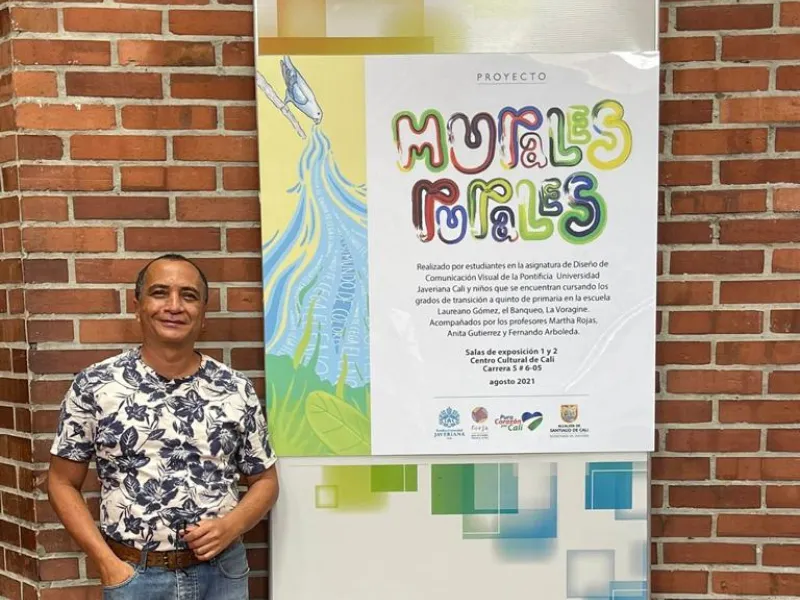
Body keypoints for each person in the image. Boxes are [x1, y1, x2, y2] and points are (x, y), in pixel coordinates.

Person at [47, 253, 279, 599]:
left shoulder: (234, 388)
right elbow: (61, 481)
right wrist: (107, 564)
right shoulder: (96, 385)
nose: (174, 306)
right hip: (134, 577)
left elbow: (265, 482)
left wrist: (231, 526)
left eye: (188, 295)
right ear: (137, 306)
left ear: (203, 313)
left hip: (222, 576)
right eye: (159, 293)